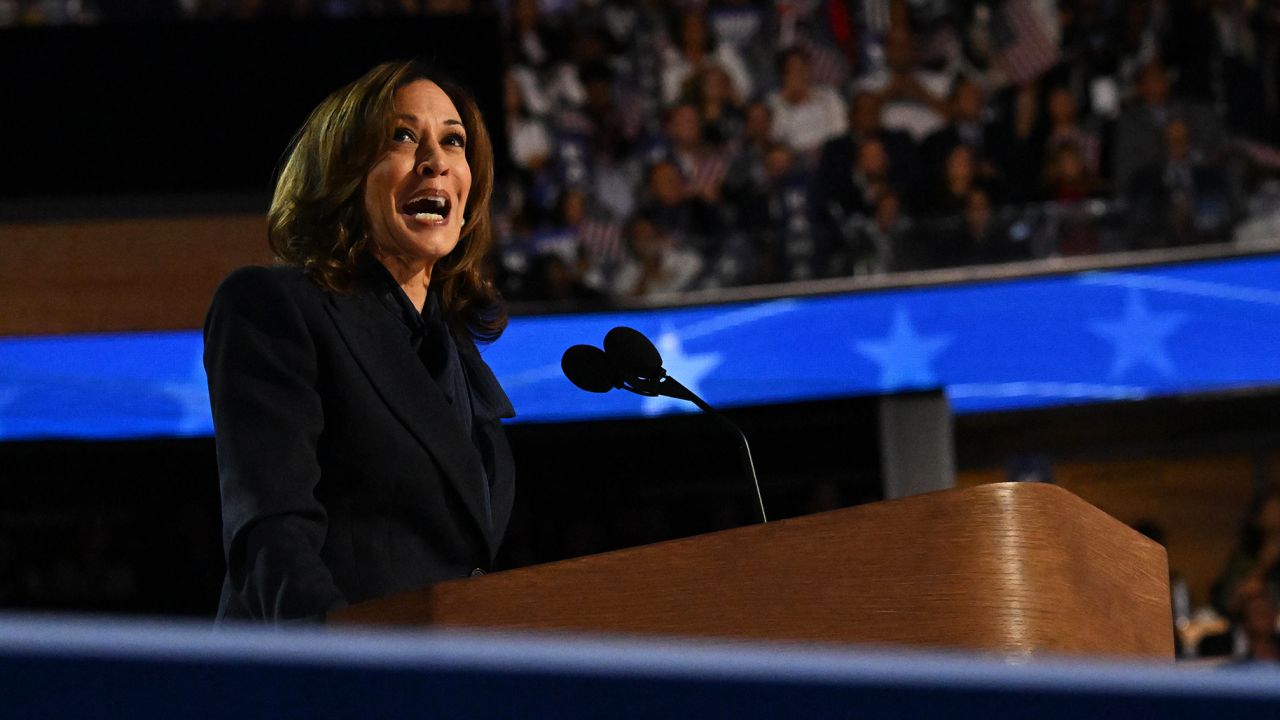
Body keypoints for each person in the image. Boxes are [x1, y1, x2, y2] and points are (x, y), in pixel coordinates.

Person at [204, 60, 515, 623]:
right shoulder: (273, 306)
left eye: (453, 141)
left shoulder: (456, 352)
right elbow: (275, 535)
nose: (436, 161)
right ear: (343, 173)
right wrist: (350, 672)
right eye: (402, 136)